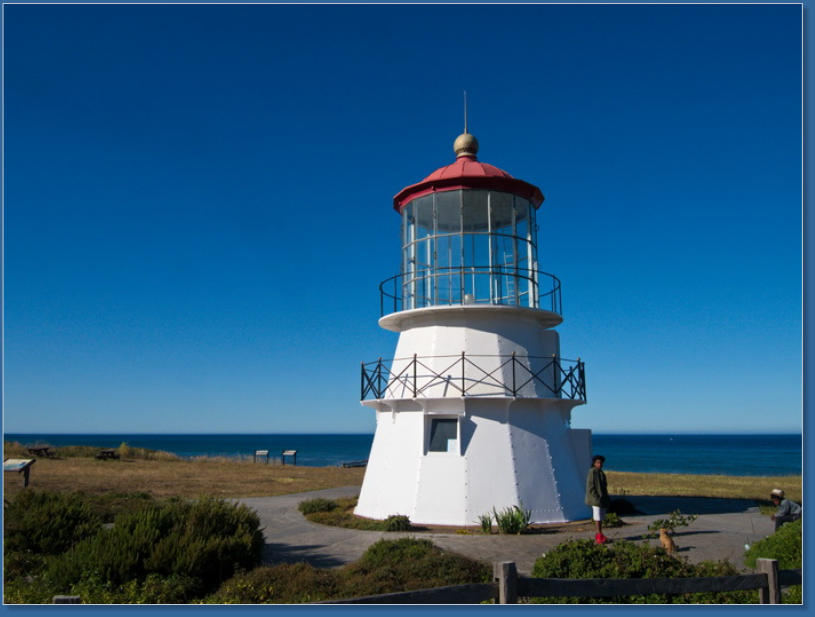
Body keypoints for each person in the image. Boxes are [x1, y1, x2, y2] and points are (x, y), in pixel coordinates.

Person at [585, 454, 611, 544]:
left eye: (601, 462)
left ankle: (599, 534)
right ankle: (599, 535)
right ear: (594, 463)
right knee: (598, 517)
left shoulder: (600, 472)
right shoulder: (593, 472)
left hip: (601, 498)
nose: (600, 464)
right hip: (596, 499)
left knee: (601, 517)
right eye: (598, 462)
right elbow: (590, 486)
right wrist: (596, 497)